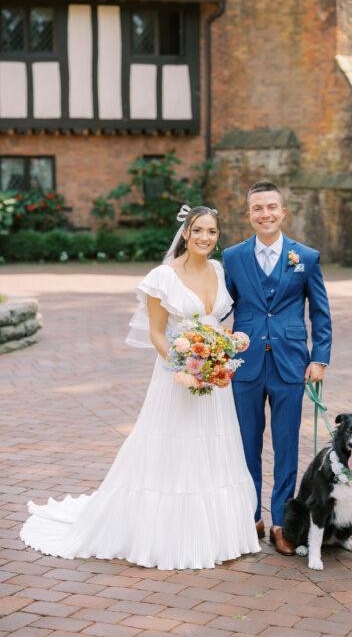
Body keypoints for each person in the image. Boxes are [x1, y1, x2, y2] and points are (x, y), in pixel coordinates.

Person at [20, 206, 260, 570]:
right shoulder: (162, 277)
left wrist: (218, 355)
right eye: (198, 230)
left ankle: (217, 535)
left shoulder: (218, 270)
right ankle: (167, 536)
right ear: (185, 233)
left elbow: (218, 323)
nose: (205, 238)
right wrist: (187, 366)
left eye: (212, 232)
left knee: (215, 445)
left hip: (214, 381)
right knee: (172, 445)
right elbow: (157, 333)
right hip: (176, 376)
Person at [223, 181, 332, 555]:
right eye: (257, 208)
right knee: (245, 447)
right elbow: (222, 307)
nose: (265, 214)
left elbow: (320, 312)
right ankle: (249, 516)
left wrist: (319, 357)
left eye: (271, 207)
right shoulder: (233, 257)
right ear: (249, 214)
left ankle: (282, 523)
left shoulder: (307, 257)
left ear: (283, 212)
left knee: (286, 448)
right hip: (245, 365)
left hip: (291, 366)